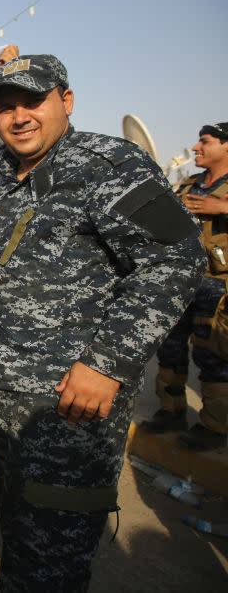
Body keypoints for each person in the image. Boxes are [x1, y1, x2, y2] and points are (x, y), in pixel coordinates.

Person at [0, 54, 205, 591]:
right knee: (19, 540)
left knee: (51, 563)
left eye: (33, 101)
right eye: (6, 107)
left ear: (66, 102)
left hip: (71, 405)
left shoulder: (107, 164)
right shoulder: (4, 173)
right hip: (9, 400)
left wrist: (107, 363)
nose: (18, 116)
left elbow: (177, 258)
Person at [142, 121, 228, 449]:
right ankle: (171, 410)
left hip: (218, 287)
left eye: (205, 142)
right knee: (171, 348)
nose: (196, 148)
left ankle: (216, 426)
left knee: (214, 356)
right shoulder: (190, 184)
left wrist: (222, 208)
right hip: (181, 281)